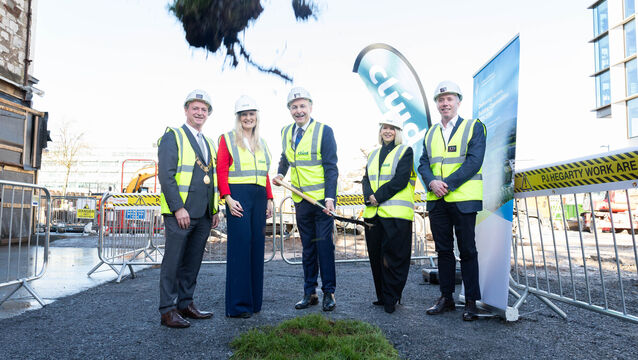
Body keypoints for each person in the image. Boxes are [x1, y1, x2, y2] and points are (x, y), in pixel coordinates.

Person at [417, 80, 486, 321]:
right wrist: (432, 183)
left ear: (458, 101)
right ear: (437, 104)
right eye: (440, 99)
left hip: (464, 200)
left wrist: (447, 184)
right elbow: (423, 163)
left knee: (467, 250)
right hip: (437, 201)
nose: (445, 103)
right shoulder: (431, 132)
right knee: (443, 250)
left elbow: (474, 161)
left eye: (449, 99)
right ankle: (446, 297)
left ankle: (470, 302)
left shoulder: (474, 127)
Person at [158, 89, 220, 328]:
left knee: (192, 262)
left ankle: (185, 303)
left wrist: (214, 210)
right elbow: (166, 175)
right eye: (195, 108)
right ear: (186, 110)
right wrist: (177, 208)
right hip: (180, 213)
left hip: (203, 214)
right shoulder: (173, 136)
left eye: (204, 109)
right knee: (173, 262)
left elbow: (211, 179)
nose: (199, 112)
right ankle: (167, 310)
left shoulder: (209, 143)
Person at [273, 87, 339, 312]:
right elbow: (285, 157)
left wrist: (330, 198)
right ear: (289, 109)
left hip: (322, 202)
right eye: (294, 106)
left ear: (310, 107)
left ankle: (329, 292)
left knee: (324, 248)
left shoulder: (324, 131)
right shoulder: (285, 132)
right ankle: (309, 292)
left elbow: (331, 167)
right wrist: (281, 173)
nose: (298, 110)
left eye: (302, 106)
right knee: (308, 249)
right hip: (301, 202)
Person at [217, 95, 274, 319]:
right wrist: (227, 199)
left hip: (260, 197)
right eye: (244, 115)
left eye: (251, 114)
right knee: (240, 249)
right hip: (238, 196)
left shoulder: (262, 142)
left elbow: (264, 174)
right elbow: (221, 170)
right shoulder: (227, 138)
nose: (248, 118)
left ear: (256, 117)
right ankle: (238, 306)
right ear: (238, 118)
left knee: (256, 248)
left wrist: (269, 199)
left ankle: (254, 303)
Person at [361, 118, 416, 314]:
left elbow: (401, 180)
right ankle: (382, 296)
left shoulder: (405, 151)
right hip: (373, 214)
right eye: (384, 127)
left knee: (394, 258)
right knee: (377, 257)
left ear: (398, 131)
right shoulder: (373, 154)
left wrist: (378, 197)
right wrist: (369, 197)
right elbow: (366, 178)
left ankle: (392, 297)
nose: (388, 131)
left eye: (392, 128)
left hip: (395, 214)